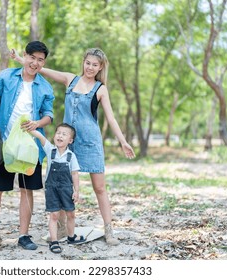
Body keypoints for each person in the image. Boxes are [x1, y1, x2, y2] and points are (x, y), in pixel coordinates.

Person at [11, 47, 135, 245]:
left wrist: (123, 141)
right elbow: (41, 69)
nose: (90, 67)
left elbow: (110, 118)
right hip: (66, 142)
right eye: (88, 63)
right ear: (83, 62)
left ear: (101, 67)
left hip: (91, 142)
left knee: (100, 188)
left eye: (95, 65)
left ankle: (109, 230)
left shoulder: (101, 89)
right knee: (62, 184)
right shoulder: (71, 79)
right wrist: (20, 59)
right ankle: (60, 228)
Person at [0, 41, 55, 253]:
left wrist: (37, 123)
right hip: (5, 145)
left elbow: (49, 115)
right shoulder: (7, 76)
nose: (35, 63)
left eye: (40, 60)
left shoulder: (45, 86)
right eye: (32, 57)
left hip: (29, 147)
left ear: (43, 62)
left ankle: (24, 236)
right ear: (25, 56)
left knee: (26, 191)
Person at [28, 123, 86, 253]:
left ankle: (71, 237)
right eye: (58, 133)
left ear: (70, 140)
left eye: (64, 134)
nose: (60, 135)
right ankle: (54, 241)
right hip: (52, 189)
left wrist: (77, 191)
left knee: (70, 213)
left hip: (66, 189)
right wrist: (30, 128)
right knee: (54, 215)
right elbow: (40, 137)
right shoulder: (50, 150)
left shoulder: (71, 156)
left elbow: (75, 174)